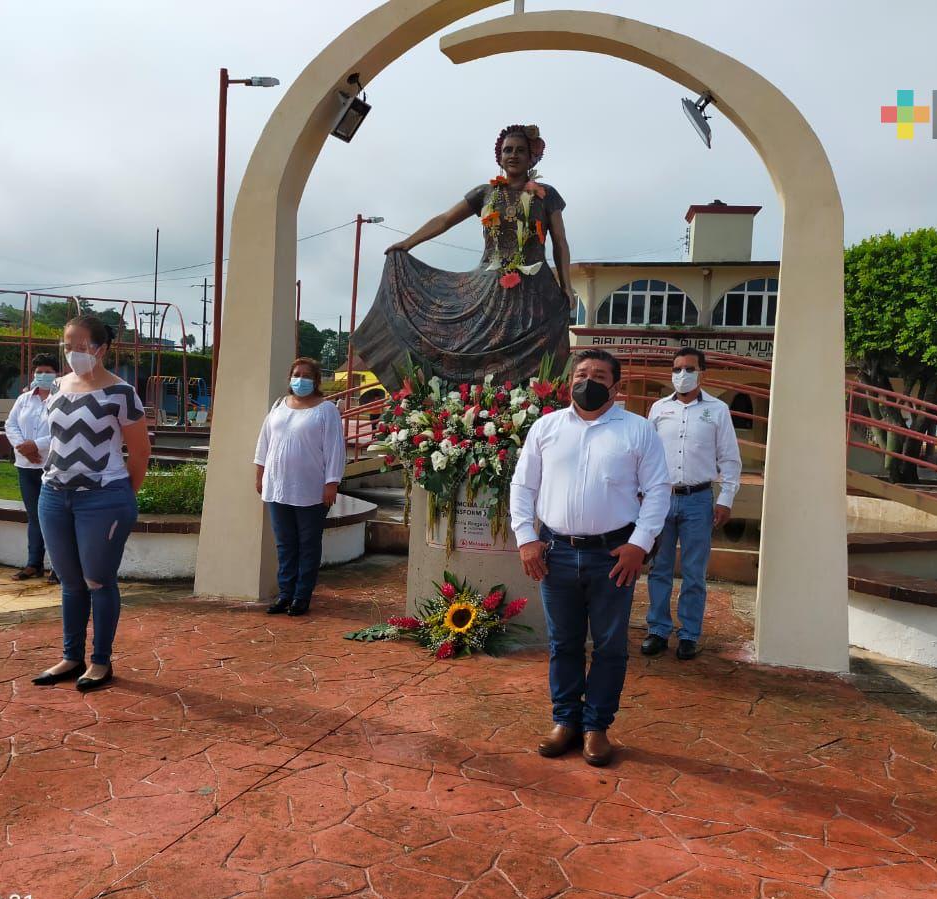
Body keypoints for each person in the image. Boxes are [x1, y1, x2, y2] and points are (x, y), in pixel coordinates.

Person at [511, 349, 672, 767]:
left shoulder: (637, 431)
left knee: (609, 644)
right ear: (570, 382)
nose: (588, 380)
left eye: (599, 375)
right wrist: (526, 538)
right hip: (555, 552)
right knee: (563, 642)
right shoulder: (546, 427)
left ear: (615, 387)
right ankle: (565, 721)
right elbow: (523, 486)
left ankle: (596, 726)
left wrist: (640, 543)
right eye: (581, 373)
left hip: (614, 555)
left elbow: (658, 490)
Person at [354, 123, 573, 388]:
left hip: (536, 289)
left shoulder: (546, 194)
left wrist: (567, 286)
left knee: (539, 351)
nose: (513, 155)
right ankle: (473, 405)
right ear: (499, 158)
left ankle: (529, 408)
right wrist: (407, 244)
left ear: (531, 156)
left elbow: (560, 242)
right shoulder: (485, 193)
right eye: (507, 150)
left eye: (520, 150)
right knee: (479, 344)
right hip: (491, 284)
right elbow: (445, 220)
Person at [32, 317, 150, 692]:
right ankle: (71, 656)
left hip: (103, 498)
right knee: (70, 582)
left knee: (97, 580)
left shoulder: (121, 392)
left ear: (102, 349)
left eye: (82, 345)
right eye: (68, 344)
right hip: (53, 494)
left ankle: (100, 661)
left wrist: (121, 495)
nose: (74, 352)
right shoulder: (56, 387)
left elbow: (140, 454)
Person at [644, 347, 743, 660]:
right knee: (659, 568)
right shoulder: (658, 409)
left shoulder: (717, 411)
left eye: (689, 368)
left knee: (693, 571)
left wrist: (726, 498)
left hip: (698, 500)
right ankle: (657, 629)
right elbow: (646, 457)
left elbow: (729, 458)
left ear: (703, 372)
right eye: (676, 369)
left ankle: (689, 634)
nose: (681, 375)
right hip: (661, 498)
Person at [254, 357, 346, 617]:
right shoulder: (278, 406)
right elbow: (264, 444)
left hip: (311, 490)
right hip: (277, 487)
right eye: (297, 374)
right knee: (285, 544)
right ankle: (285, 593)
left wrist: (332, 483)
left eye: (307, 375)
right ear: (290, 378)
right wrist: (259, 475)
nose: (301, 379)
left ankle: (301, 596)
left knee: (308, 544)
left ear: (316, 381)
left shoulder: (326, 410)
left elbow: (335, 449)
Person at [3, 354, 59, 583]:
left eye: (47, 371)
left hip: (52, 465)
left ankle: (59, 567)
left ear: (56, 374)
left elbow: (61, 430)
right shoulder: (25, 399)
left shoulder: (62, 398)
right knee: (34, 516)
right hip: (26, 465)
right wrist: (23, 447)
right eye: (38, 371)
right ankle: (33, 563)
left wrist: (36, 445)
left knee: (56, 518)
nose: (42, 375)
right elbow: (11, 424)